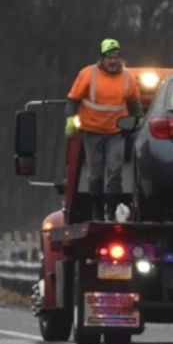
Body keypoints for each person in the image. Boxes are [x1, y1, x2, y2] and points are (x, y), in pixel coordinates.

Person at [65, 38, 142, 221]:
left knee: (114, 172)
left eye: (116, 57)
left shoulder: (127, 77)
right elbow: (73, 99)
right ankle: (97, 208)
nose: (113, 61)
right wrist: (70, 119)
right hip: (91, 132)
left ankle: (111, 210)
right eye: (109, 57)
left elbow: (134, 103)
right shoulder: (87, 74)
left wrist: (139, 120)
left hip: (116, 133)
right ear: (102, 58)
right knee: (95, 175)